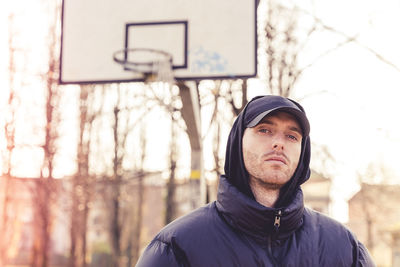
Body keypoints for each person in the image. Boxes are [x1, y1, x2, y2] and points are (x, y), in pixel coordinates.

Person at [136, 95, 375, 266]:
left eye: (292, 136)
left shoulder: (344, 248)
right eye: (264, 130)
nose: (279, 143)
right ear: (238, 142)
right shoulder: (177, 248)